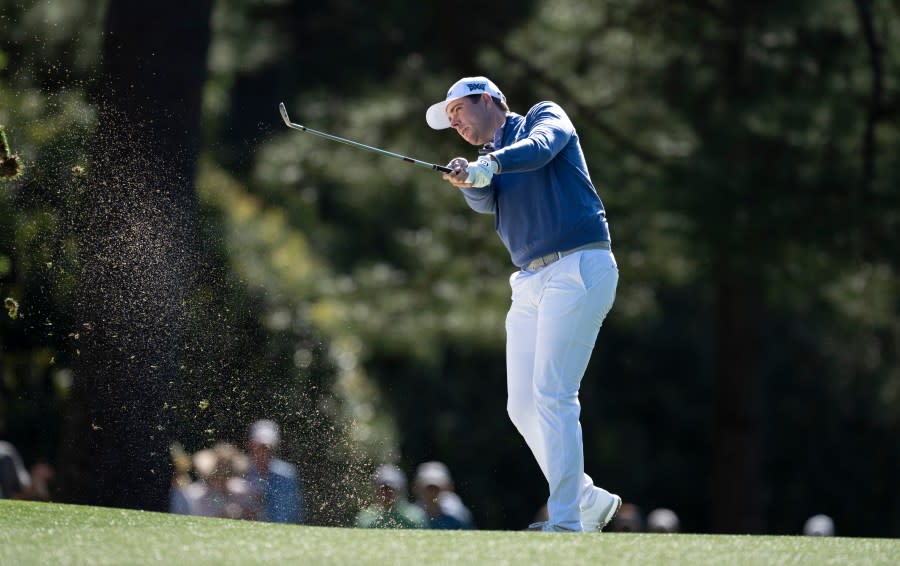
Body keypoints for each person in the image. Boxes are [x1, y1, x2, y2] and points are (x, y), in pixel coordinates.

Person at [427, 77, 620, 532]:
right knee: (522, 405)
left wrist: (487, 164)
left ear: (490, 100)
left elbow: (540, 148)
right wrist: (468, 178)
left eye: (458, 110)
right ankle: (586, 498)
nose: (454, 122)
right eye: (448, 119)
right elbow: (485, 199)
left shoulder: (544, 116)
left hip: (578, 266)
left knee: (554, 396)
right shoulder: (488, 161)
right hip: (531, 281)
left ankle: (567, 522)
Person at [245, 419, 305, 523]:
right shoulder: (240, 470)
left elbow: (294, 512)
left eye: (268, 447)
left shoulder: (287, 474)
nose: (264, 451)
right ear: (251, 445)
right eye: (260, 446)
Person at [356, 464, 428, 529]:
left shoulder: (415, 516)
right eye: (382, 489)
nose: (386, 494)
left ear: (401, 491)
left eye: (391, 489)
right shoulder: (365, 518)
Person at [413, 461, 474, 529]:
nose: (432, 493)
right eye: (429, 488)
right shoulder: (410, 515)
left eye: (437, 488)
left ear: (448, 488)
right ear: (417, 488)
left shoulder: (458, 516)